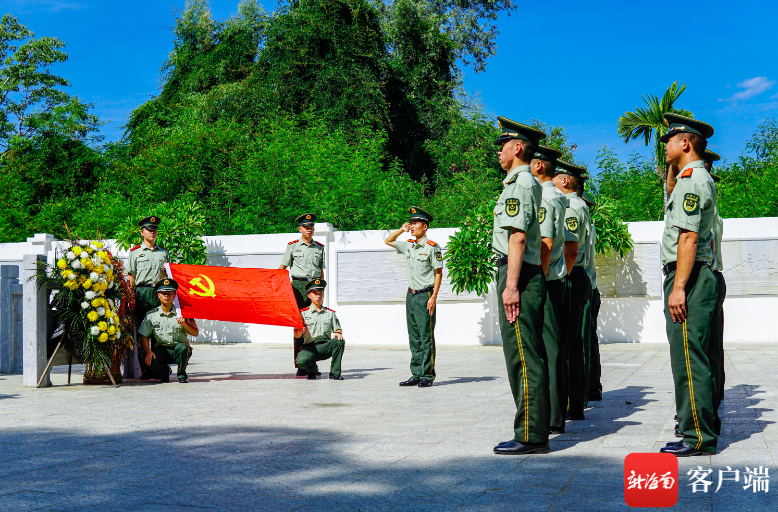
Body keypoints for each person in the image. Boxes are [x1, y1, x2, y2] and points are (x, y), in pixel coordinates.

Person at [658, 113, 719, 457]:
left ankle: (698, 437)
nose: (664, 145)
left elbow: (688, 238)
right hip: (691, 274)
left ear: (685, 142)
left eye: (670, 140)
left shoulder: (693, 180)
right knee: (690, 354)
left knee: (688, 357)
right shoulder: (688, 178)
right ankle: (696, 430)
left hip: (690, 276)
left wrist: (679, 286)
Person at [489, 117, 550, 455]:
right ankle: (533, 429)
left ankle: (530, 434)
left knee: (523, 356)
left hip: (518, 275)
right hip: (523, 273)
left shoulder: (520, 184)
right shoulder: (521, 183)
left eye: (502, 145)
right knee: (525, 353)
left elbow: (518, 237)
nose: (498, 151)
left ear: (517, 148)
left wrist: (512, 285)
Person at [530, 144, 569, 434]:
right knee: (554, 348)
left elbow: (545, 243)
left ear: (540, 165)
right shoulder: (557, 196)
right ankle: (556, 412)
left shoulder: (545, 195)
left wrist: (538, 282)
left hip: (548, 280)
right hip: (557, 278)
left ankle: (554, 416)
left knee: (550, 349)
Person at [385, 207, 443, 388]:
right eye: (411, 222)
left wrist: (433, 297)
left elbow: (438, 273)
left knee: (426, 336)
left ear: (424, 226)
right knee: (414, 337)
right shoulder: (408, 244)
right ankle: (416, 374)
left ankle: (427, 375)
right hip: (410, 296)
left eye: (415, 223)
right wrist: (401, 230)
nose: (412, 226)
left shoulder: (432, 248)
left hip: (425, 294)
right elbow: (388, 240)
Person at [553, 160, 592, 421]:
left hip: (572, 274)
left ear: (565, 181)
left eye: (555, 177)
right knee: (573, 342)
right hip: (579, 275)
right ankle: (575, 402)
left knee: (567, 343)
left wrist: (563, 280)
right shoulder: (581, 206)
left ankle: (570, 403)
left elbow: (570, 249)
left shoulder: (570, 207)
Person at [280, 213, 325, 376]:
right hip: (297, 287)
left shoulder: (319, 248)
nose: (309, 229)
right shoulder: (292, 246)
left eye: (311, 227)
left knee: (314, 326)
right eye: (306, 227)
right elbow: (282, 268)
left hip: (313, 287)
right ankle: (300, 364)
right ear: (300, 229)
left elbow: (321, 272)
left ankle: (311, 363)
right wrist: (279, 289)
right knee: (299, 327)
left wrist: (321, 292)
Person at [127, 216, 170, 380]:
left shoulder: (164, 253)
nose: (153, 233)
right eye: (149, 230)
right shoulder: (134, 253)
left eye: (155, 230)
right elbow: (131, 276)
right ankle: (145, 371)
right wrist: (131, 296)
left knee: (158, 333)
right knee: (142, 332)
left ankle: (157, 369)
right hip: (141, 294)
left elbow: (167, 276)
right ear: (142, 232)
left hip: (158, 293)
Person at [138, 278, 198, 383]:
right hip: (162, 350)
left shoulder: (183, 313)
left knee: (183, 348)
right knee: (150, 359)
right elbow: (144, 335)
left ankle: (181, 373)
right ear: (158, 295)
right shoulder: (151, 315)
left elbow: (195, 333)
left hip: (179, 349)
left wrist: (184, 323)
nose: (167, 296)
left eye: (170, 293)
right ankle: (164, 372)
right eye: (164, 293)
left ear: (174, 295)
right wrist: (148, 351)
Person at [294, 279, 346, 380]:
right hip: (310, 347)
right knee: (301, 360)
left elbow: (338, 329)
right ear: (309, 296)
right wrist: (299, 332)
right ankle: (312, 371)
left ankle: (334, 373)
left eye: (320, 293)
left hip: (325, 346)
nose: (318, 296)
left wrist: (338, 333)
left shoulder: (330, 313)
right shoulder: (303, 314)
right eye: (315, 293)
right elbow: (297, 336)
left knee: (339, 341)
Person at [581, 190, 602, 402]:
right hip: (592, 288)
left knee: (582, 340)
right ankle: (592, 387)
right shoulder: (590, 225)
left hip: (585, 289)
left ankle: (585, 389)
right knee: (589, 339)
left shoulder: (580, 223)